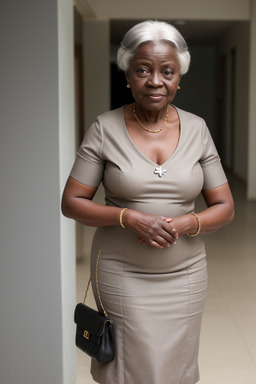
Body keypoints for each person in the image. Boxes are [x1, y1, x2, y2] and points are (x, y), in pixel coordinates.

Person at [62, 20, 234, 384]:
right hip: (121, 274)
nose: (155, 80)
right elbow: (72, 202)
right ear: (127, 73)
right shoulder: (104, 128)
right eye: (143, 70)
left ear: (178, 76)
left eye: (166, 71)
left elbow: (225, 207)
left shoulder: (198, 129)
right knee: (126, 370)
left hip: (185, 275)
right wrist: (129, 217)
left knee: (177, 369)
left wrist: (189, 223)